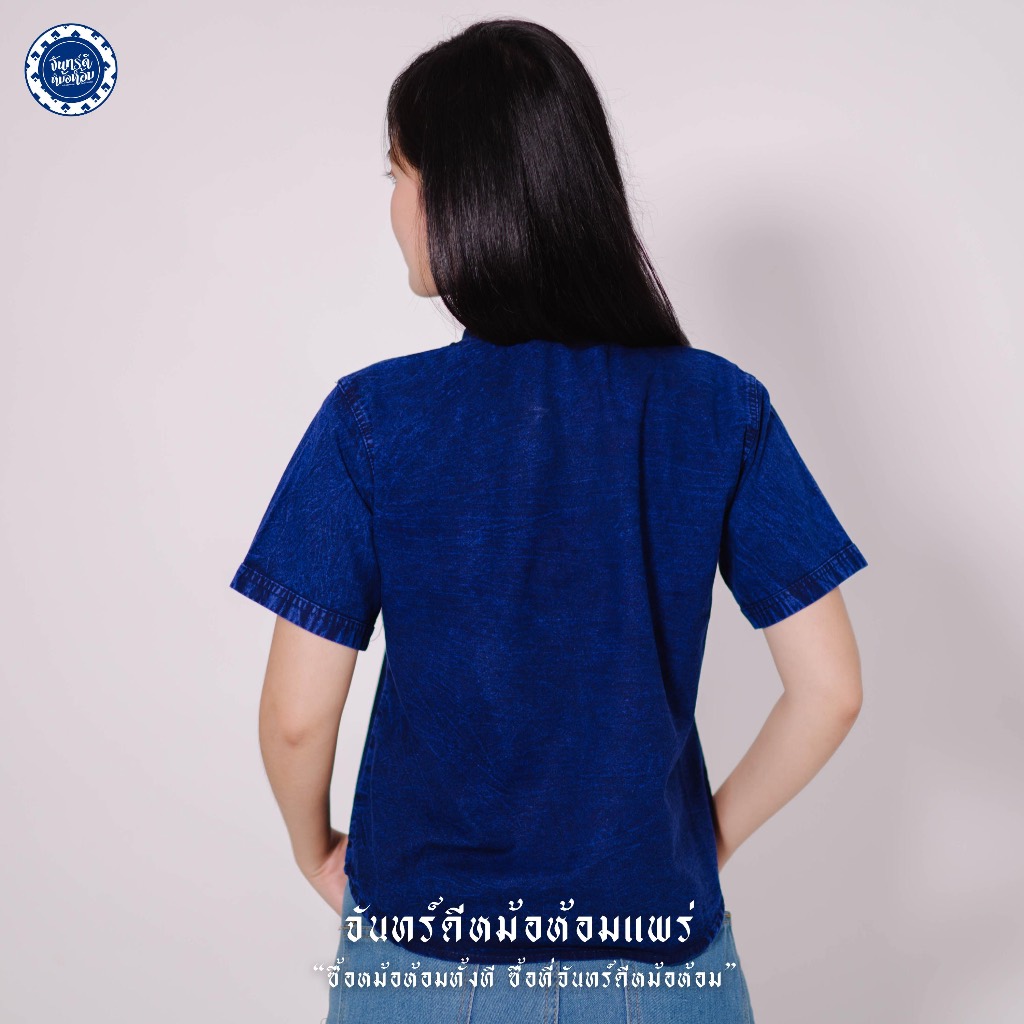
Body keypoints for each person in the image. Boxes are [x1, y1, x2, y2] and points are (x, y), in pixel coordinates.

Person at [228, 17, 868, 1024]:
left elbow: (296, 716)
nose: (392, 205)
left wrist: (313, 850)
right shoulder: (719, 407)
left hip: (427, 960)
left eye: (397, 174)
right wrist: (701, 844)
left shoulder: (374, 420)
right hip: (663, 965)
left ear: (458, 192)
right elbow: (829, 691)